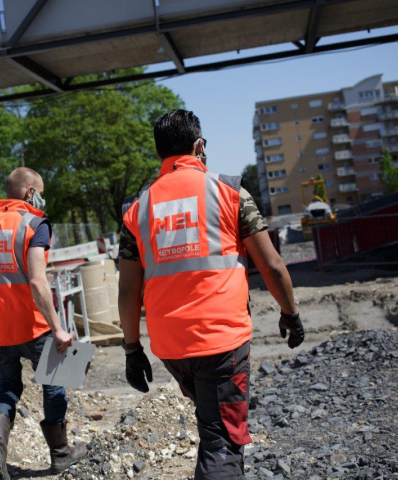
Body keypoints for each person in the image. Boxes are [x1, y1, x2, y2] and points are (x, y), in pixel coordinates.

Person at [118, 110, 304, 479]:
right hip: (221, 343)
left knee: (211, 427)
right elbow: (272, 266)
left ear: (161, 154)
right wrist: (291, 314)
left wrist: (131, 349)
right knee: (222, 442)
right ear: (199, 146)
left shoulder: (137, 210)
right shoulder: (230, 191)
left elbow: (127, 290)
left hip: (170, 347)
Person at [0, 167, 86, 479]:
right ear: (30, 192)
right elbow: (37, 281)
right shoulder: (35, 223)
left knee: (8, 386)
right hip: (35, 327)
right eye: (40, 191)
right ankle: (60, 453)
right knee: (56, 381)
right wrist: (58, 327)